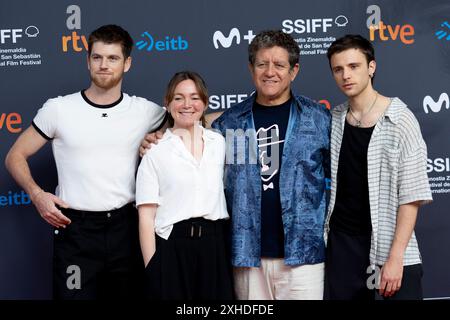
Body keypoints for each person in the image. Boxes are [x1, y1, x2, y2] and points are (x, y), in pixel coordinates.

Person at [4, 24, 166, 299]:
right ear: (88, 60)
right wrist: (37, 195)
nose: (104, 65)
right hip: (75, 232)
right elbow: (14, 156)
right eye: (97, 57)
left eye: (113, 58)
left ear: (127, 63)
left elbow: (194, 119)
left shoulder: (145, 111)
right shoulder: (59, 109)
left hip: (125, 229)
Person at [212, 30, 330, 300]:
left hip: (304, 255)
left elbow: (339, 179)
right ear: (251, 68)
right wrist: (162, 131)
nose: (270, 72)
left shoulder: (318, 119)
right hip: (247, 255)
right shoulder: (229, 123)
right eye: (262, 64)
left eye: (279, 65)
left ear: (294, 70)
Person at [324, 34, 432, 300]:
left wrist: (395, 259)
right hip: (342, 247)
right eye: (338, 69)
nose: (345, 75)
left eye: (353, 66)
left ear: (371, 67)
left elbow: (412, 195)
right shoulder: (335, 119)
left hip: (388, 247)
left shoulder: (400, 120)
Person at [135, 71, 234, 300]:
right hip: (172, 247)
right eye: (178, 98)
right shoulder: (154, 151)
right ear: (167, 103)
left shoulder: (219, 142)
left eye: (194, 97)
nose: (187, 104)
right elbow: (146, 218)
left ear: (205, 103)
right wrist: (153, 269)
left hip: (215, 245)